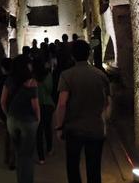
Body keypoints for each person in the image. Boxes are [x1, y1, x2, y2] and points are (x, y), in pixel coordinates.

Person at [55, 40, 111, 183]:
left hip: (74, 129)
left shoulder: (67, 75)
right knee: (94, 168)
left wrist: (59, 126)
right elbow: (108, 103)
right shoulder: (101, 75)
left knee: (73, 167)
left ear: (72, 56)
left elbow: (62, 104)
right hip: (96, 127)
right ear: (89, 54)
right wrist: (103, 121)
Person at [1, 55, 40, 183]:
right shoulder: (31, 82)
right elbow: (35, 106)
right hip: (28, 121)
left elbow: (3, 101)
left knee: (18, 154)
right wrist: (38, 120)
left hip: (12, 120)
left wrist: (8, 116)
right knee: (27, 156)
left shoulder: (9, 80)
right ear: (25, 66)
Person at [32, 58, 55, 164]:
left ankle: (41, 157)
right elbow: (50, 89)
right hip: (47, 104)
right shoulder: (48, 75)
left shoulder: (32, 76)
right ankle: (49, 148)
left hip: (36, 104)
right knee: (47, 127)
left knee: (38, 131)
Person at [0, 57, 15, 169]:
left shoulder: (0, 79)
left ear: (2, 68)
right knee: (14, 135)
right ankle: (12, 159)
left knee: (7, 134)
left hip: (4, 110)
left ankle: (7, 158)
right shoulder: (15, 78)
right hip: (14, 109)